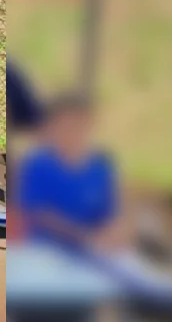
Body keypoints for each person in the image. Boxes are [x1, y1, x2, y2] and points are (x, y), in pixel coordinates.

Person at [16, 93, 121, 253]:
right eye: (66, 126)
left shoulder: (101, 164)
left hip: (96, 248)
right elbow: (38, 212)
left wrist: (112, 234)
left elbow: (111, 212)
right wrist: (84, 237)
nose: (72, 133)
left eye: (79, 125)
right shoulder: (38, 163)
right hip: (47, 250)